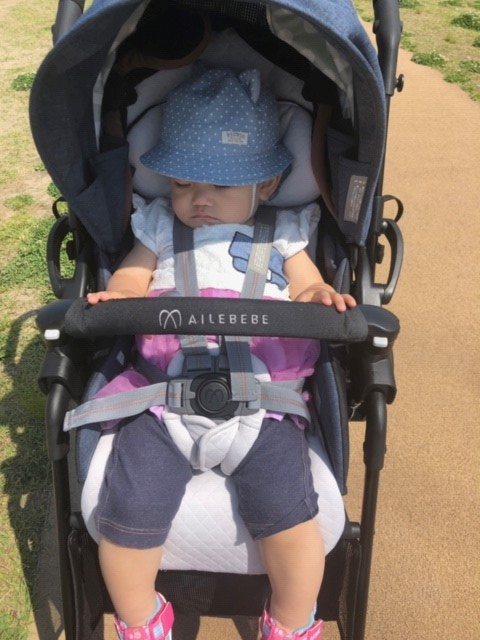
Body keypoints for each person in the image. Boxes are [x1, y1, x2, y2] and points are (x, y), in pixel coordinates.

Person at [85, 67, 356, 640]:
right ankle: (141, 619)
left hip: (264, 406)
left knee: (290, 516)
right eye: (182, 183)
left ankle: (290, 622)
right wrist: (120, 296)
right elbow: (132, 279)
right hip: (162, 401)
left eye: (219, 187)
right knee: (128, 510)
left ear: (268, 183)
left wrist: (319, 297)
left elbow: (308, 287)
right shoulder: (158, 227)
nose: (198, 199)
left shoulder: (285, 234)